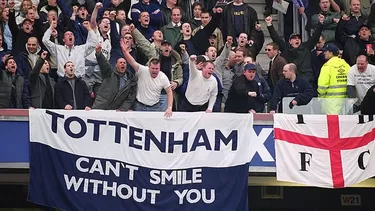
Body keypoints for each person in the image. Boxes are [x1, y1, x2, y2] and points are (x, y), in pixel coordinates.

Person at [122, 39, 173, 118]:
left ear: (159, 68)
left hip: (155, 107)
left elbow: (169, 92)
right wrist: (125, 52)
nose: (155, 71)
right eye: (153, 68)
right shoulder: (142, 70)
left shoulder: (163, 77)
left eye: (157, 69)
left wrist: (169, 108)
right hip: (139, 106)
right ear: (149, 67)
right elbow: (132, 62)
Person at [92, 44, 138, 111]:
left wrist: (122, 109)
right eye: (120, 62)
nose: (122, 64)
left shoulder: (131, 80)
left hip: (115, 111)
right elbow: (104, 64)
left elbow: (130, 98)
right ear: (116, 65)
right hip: (100, 106)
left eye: (124, 63)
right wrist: (99, 54)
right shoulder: (109, 73)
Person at [318, 44, 350, 114]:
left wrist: (320, 97)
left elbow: (322, 86)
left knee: (332, 123)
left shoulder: (327, 66)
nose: (324, 53)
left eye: (326, 51)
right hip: (344, 102)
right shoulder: (346, 65)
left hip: (330, 102)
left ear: (330, 53)